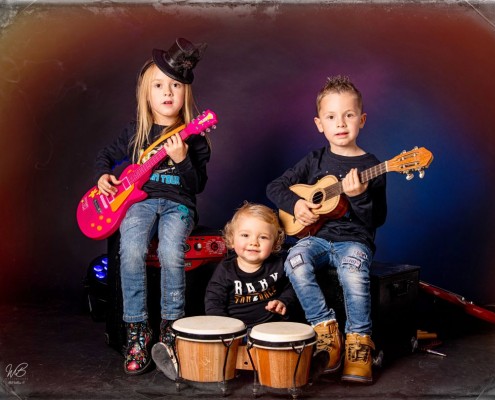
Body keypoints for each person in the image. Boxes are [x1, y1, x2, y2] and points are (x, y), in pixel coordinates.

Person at [95, 38, 210, 375]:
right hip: (139, 204)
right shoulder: (136, 132)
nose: (167, 92)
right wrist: (103, 175)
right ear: (147, 93)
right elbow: (104, 156)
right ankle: (137, 330)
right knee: (130, 250)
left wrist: (182, 159)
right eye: (159, 85)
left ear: (185, 93)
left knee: (172, 252)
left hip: (178, 206)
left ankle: (170, 329)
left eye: (175, 85)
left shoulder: (195, 137)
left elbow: (197, 185)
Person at [266, 75, 387, 384]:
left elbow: (377, 219)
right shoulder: (315, 159)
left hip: (354, 242)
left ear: (362, 119)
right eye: (332, 116)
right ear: (320, 124)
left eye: (348, 115)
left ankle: (359, 343)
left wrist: (358, 196)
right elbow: (275, 187)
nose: (341, 123)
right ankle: (326, 331)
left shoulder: (373, 165)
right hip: (316, 238)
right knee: (294, 260)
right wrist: (296, 206)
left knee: (352, 272)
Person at [152, 202, 298, 381]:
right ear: (232, 238)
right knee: (208, 349)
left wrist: (283, 301)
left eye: (263, 237)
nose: (253, 242)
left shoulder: (278, 265)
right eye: (245, 235)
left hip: (267, 330)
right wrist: (223, 329)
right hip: (233, 333)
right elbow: (213, 300)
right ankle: (178, 366)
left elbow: (293, 287)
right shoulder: (226, 270)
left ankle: (306, 366)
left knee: (287, 344)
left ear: (275, 242)